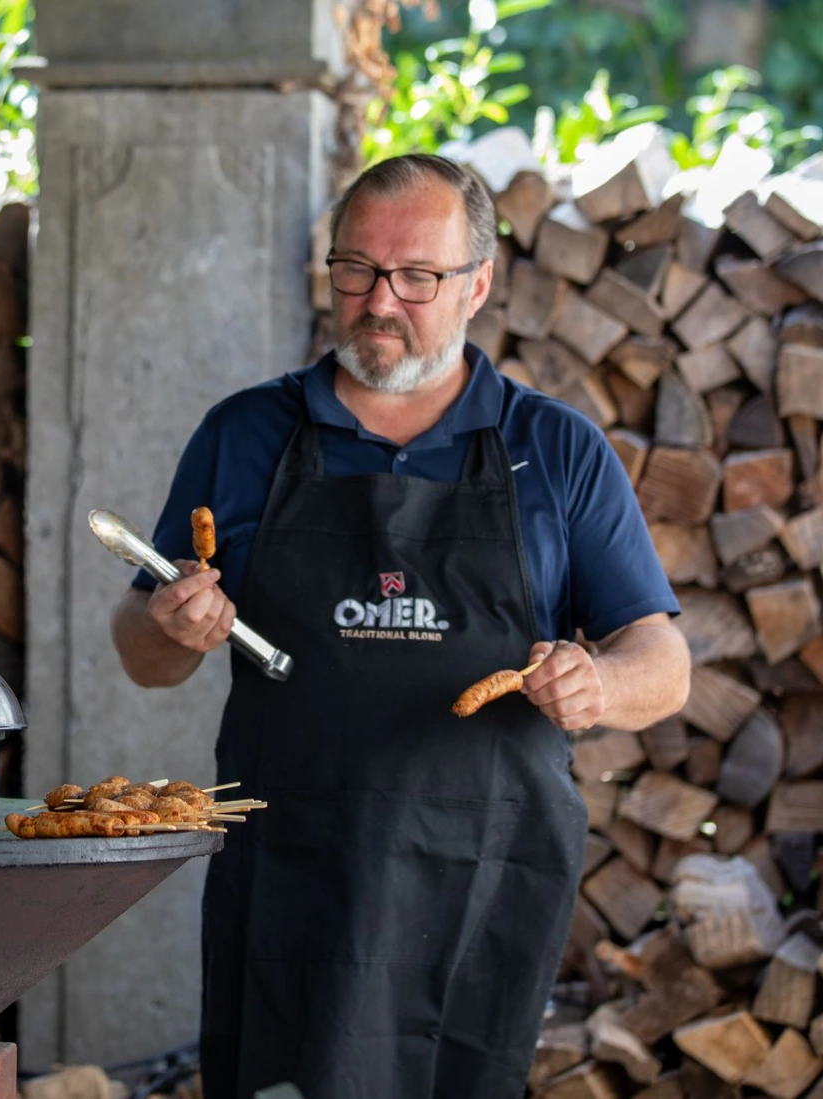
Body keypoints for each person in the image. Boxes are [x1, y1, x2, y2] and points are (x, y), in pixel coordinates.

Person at [108, 153, 690, 1099]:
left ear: (477, 285)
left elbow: (661, 660)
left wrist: (602, 683)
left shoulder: (554, 449)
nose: (379, 301)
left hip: (483, 878)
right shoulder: (245, 434)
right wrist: (170, 626)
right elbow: (142, 654)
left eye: (417, 275)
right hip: (289, 871)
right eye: (356, 269)